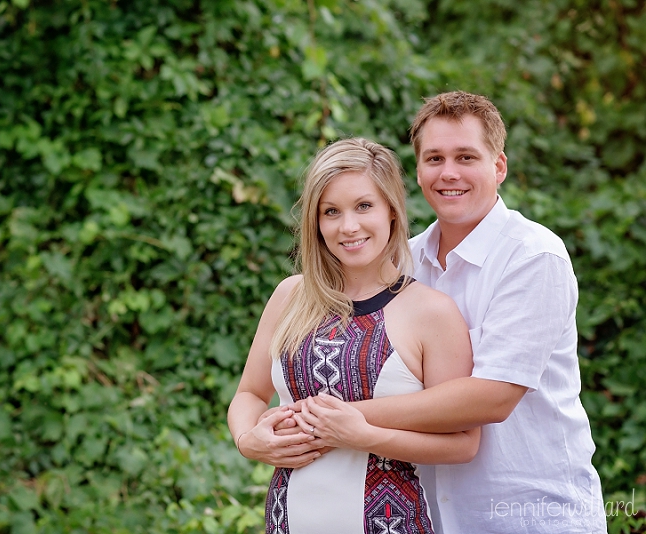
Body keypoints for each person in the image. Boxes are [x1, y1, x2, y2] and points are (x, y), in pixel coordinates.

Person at [288, 91, 606, 533]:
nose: (449, 173)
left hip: (529, 512)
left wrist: (339, 417)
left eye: (466, 157)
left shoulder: (533, 257)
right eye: (434, 158)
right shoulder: (402, 263)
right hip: (433, 515)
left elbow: (493, 397)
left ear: (499, 167)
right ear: (417, 171)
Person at [227, 138, 480, 534]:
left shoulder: (432, 312)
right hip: (286, 521)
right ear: (316, 221)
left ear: (392, 212)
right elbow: (250, 394)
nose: (348, 226)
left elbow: (464, 443)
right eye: (331, 211)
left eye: (364, 206)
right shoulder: (290, 296)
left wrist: (366, 436)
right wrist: (248, 439)